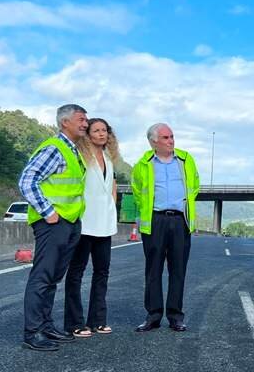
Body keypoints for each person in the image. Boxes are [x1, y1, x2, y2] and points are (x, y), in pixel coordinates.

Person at [18, 104, 88, 351]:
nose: (85, 124)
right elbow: (27, 181)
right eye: (80, 119)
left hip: (68, 223)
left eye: (85, 119)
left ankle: (45, 325)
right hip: (53, 224)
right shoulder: (54, 148)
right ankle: (33, 332)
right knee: (43, 276)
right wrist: (48, 212)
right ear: (64, 123)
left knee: (53, 278)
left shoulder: (72, 150)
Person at [131, 123, 200, 332]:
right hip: (155, 221)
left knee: (178, 270)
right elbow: (137, 192)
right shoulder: (143, 164)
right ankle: (153, 316)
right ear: (154, 142)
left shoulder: (186, 159)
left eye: (172, 136)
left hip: (180, 221)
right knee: (153, 270)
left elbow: (194, 186)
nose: (171, 141)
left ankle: (175, 316)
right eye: (166, 138)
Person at [63, 118, 120, 338]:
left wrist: (112, 206)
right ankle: (74, 323)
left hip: (105, 223)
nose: (101, 134)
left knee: (102, 272)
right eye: (95, 130)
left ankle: (97, 320)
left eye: (104, 130)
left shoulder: (109, 158)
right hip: (84, 222)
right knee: (76, 272)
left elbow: (111, 185)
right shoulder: (80, 157)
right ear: (87, 134)